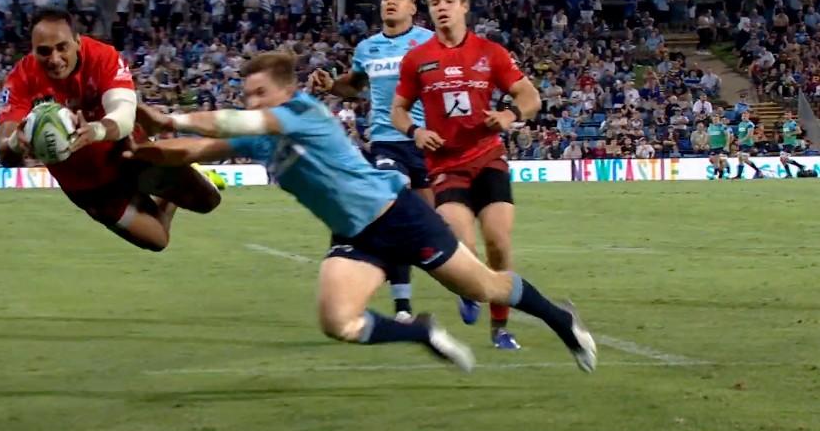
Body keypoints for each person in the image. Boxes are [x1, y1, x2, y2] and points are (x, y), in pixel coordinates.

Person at [130, 51, 597, 372]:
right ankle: (418, 332)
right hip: (354, 233)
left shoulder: (302, 113)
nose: (250, 101)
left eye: (258, 92)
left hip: (398, 215)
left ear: (285, 91)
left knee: (486, 285)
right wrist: (137, 151)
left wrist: (171, 117)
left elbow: (232, 122)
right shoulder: (259, 133)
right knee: (338, 322)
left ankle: (562, 321)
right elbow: (194, 150)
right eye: (246, 93)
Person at [390, 0, 543, 351]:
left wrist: (510, 116)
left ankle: (500, 328)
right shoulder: (417, 59)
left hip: (488, 158)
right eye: (434, 3)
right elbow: (398, 110)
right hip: (445, 166)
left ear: (463, 6)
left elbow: (530, 96)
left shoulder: (490, 53)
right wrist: (415, 132)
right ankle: (469, 289)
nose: (441, 8)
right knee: (464, 245)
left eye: (447, 1)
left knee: (498, 243)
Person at [0, 9, 221, 252]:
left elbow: (123, 116)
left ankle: (177, 171)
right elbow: (4, 151)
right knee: (158, 241)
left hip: (129, 156)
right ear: (32, 49)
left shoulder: (103, 56)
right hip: (87, 186)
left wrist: (95, 131)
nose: (54, 58)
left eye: (62, 47)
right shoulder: (20, 79)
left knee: (208, 202)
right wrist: (16, 143)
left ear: (77, 42)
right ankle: (166, 193)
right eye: (44, 51)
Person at [309, 0, 435, 322]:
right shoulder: (368, 48)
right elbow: (355, 85)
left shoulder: (428, 42)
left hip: (426, 142)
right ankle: (404, 307)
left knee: (433, 230)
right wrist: (330, 85)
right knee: (392, 207)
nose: (390, 2)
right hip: (386, 141)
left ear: (413, 8)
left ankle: (467, 288)